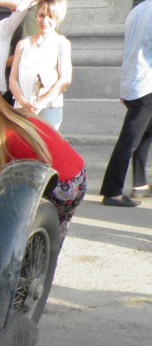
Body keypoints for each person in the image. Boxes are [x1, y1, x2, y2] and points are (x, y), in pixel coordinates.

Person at [0, 79, 85, 239]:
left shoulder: (1, 138)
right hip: (78, 177)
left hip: (61, 185)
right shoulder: (19, 117)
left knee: (10, 232)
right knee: (49, 238)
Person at [99, 0, 152, 208]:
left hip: (134, 81)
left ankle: (139, 182)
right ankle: (112, 192)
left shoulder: (136, 11)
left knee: (146, 133)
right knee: (129, 140)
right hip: (146, 83)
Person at [9, 0, 72, 131]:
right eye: (41, 15)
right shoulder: (23, 45)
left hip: (48, 108)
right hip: (22, 108)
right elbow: (13, 79)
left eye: (50, 16)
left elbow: (65, 79)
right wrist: (23, 102)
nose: (44, 21)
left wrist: (41, 103)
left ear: (57, 19)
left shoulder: (62, 44)